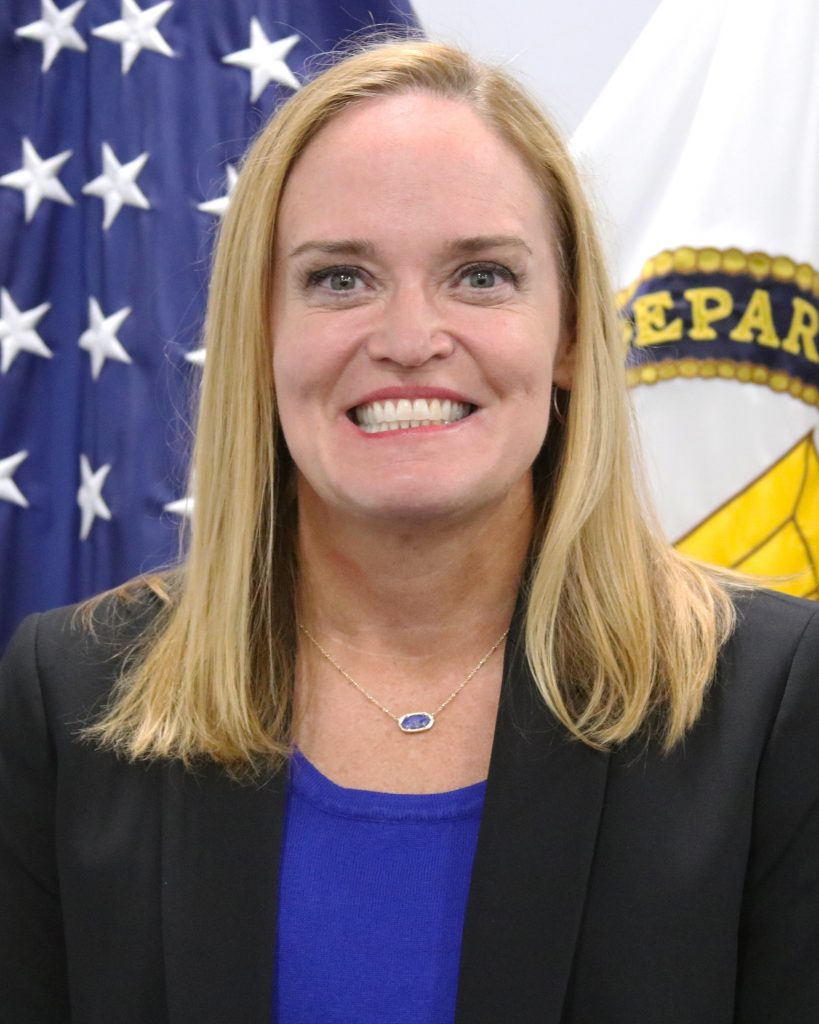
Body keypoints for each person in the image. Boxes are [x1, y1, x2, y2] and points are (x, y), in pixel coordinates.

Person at [1, 39, 818, 1024]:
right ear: (261, 333)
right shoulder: (69, 698)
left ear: (568, 333)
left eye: (481, 275)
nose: (408, 339)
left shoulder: (772, 703)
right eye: (341, 279)